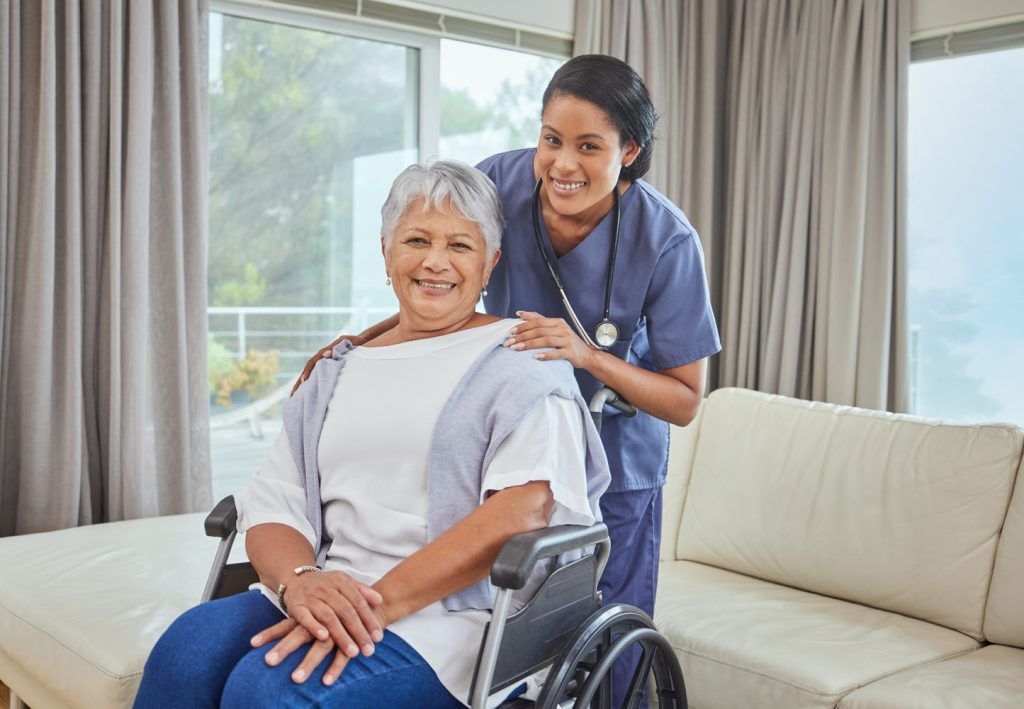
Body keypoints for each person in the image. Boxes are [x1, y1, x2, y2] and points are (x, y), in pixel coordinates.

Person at [296, 55, 721, 705]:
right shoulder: (500, 181)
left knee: (596, 653)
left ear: (629, 151)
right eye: (551, 139)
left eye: (588, 146)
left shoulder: (666, 241)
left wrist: (588, 356)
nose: (561, 165)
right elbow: (443, 284)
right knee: (494, 633)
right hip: (507, 446)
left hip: (616, 469)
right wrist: (362, 340)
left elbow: (687, 400)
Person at [134, 160, 610, 708]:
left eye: (460, 245)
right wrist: (299, 580)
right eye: (416, 239)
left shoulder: (522, 362)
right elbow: (274, 504)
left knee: (269, 692)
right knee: (183, 654)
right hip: (325, 587)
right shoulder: (336, 370)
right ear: (386, 253)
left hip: (452, 617)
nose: (435, 261)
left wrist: (376, 605)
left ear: (489, 265)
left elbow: (521, 512)